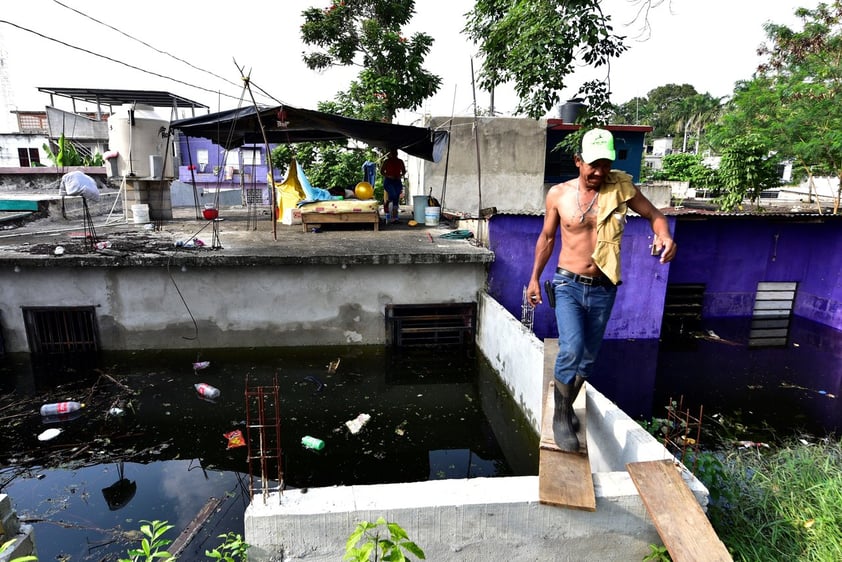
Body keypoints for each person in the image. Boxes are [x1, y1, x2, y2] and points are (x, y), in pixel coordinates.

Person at [527, 128, 677, 452]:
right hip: (568, 282)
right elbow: (547, 238)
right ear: (578, 161)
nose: (599, 172)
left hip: (604, 286)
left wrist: (665, 235)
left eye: (606, 164)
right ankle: (560, 414)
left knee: (589, 357)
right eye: (593, 164)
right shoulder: (558, 195)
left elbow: (654, 214)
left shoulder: (620, 189)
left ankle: (567, 408)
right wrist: (534, 278)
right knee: (571, 348)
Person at [380, 149, 406, 224]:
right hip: (389, 181)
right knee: (393, 195)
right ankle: (387, 206)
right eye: (393, 153)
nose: (394, 154)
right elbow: (381, 171)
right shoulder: (387, 161)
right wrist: (388, 176)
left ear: (397, 153)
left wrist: (400, 175)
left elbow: (404, 171)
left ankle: (395, 218)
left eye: (395, 152)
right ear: (390, 154)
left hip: (397, 181)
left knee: (396, 198)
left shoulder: (400, 161)